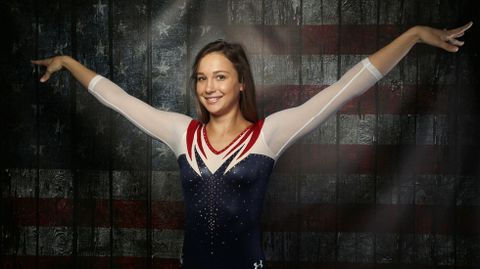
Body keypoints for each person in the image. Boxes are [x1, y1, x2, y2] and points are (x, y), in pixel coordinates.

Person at [31, 22, 473, 269]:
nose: (209, 87)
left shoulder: (269, 134)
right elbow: (118, 100)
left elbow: (347, 87)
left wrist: (413, 35)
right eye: (201, 78)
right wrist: (69, 63)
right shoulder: (180, 133)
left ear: (241, 83)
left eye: (220, 76)